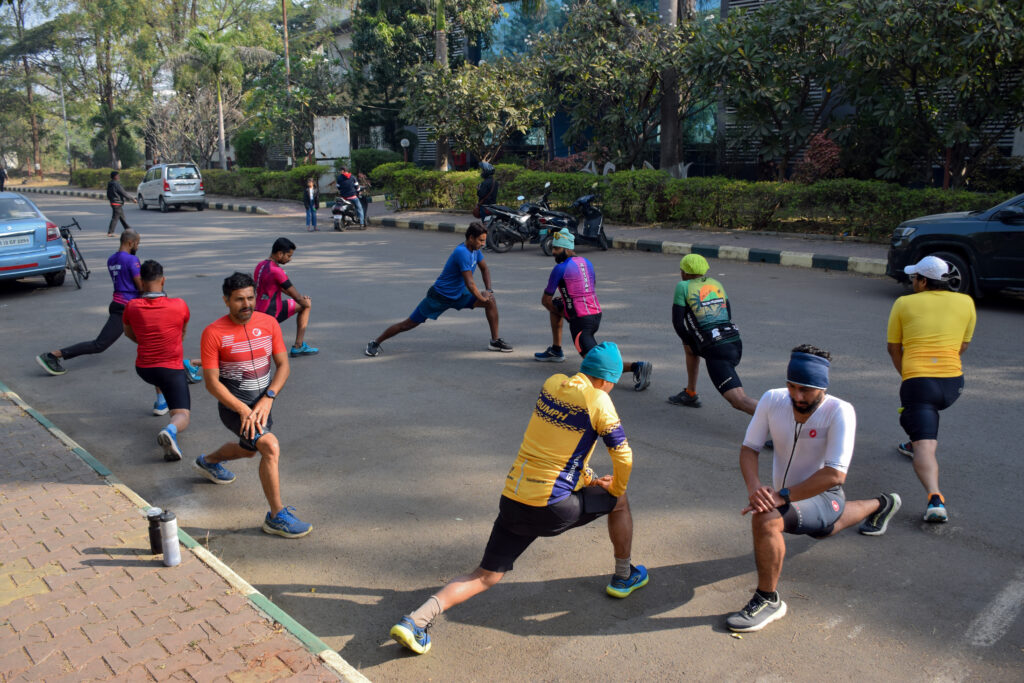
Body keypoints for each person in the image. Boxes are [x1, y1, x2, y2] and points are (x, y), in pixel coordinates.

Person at [389, 342, 647, 655]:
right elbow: (623, 455)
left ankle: (416, 620)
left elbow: (555, 450)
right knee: (619, 500)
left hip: (514, 498)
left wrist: (590, 478)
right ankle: (623, 576)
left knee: (485, 576)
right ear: (608, 380)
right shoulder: (599, 400)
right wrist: (615, 487)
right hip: (552, 506)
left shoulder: (552, 385)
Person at [725, 345, 901, 633]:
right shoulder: (772, 400)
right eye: (792, 386)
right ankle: (882, 504)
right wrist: (755, 488)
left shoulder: (840, 411)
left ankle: (768, 599)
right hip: (791, 498)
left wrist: (780, 496)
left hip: (823, 495)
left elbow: (834, 475)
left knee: (767, 519)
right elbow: (749, 449)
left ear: (822, 388)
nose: (797, 396)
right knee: (824, 529)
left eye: (805, 389)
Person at [196, 272, 312, 539]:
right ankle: (275, 517)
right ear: (226, 301)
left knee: (249, 451)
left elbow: (283, 365)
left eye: (250, 298)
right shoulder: (213, 333)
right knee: (269, 447)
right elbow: (212, 384)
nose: (246, 304)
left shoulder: (269, 323)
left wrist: (269, 397)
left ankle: (209, 461)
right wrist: (243, 410)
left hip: (262, 404)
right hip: (234, 407)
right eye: (239, 299)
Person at [886, 255, 976, 523]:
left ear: (924, 281)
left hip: (919, 384)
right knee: (917, 418)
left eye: (915, 278)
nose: (912, 282)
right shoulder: (966, 301)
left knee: (924, 444)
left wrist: (909, 377)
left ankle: (935, 499)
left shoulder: (904, 303)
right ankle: (914, 439)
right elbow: (963, 346)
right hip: (954, 384)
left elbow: (893, 348)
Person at [35, 231, 166, 413]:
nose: (138, 246)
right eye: (137, 243)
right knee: (100, 344)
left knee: (155, 341)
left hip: (120, 305)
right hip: (126, 309)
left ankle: (172, 379)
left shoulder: (112, 259)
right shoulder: (131, 261)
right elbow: (140, 286)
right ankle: (53, 355)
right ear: (131, 242)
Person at [364, 223, 513, 356]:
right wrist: (481, 297)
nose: (483, 243)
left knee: (491, 301)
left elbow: (485, 269)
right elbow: (470, 283)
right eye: (481, 240)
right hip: (439, 297)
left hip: (459, 295)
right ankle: (375, 342)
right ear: (472, 238)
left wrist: (489, 290)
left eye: (484, 240)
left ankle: (494, 341)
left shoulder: (475, 250)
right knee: (407, 324)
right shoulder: (462, 252)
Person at [534, 229, 652, 391]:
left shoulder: (560, 268)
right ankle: (556, 350)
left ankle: (637, 367)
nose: (553, 252)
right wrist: (564, 305)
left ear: (566, 248)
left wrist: (565, 312)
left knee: (594, 361)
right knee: (557, 304)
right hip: (595, 313)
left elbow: (544, 300)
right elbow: (588, 287)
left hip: (580, 321)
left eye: (557, 248)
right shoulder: (586, 262)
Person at [668, 254, 757, 414]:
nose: (680, 272)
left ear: (685, 272)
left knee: (739, 400)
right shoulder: (716, 283)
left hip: (716, 349)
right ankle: (690, 393)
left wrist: (690, 339)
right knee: (690, 349)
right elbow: (727, 313)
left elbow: (678, 323)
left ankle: (782, 424)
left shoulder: (683, 286)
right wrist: (692, 343)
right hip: (734, 342)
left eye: (681, 270)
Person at [122, 260, 192, 462]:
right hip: (170, 369)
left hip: (144, 368)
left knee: (161, 377)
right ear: (163, 280)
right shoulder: (179, 305)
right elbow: (182, 333)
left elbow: (129, 333)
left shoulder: (132, 306)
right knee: (182, 415)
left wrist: (145, 340)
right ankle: (170, 430)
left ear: (141, 282)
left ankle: (161, 401)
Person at [253, 238, 318, 357]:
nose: (289, 259)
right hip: (270, 313)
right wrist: (304, 301)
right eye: (288, 255)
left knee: (303, 304)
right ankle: (298, 346)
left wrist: (300, 300)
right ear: (279, 254)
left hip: (257, 310)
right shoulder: (277, 271)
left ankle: (299, 346)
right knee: (306, 304)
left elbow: (281, 288)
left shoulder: (261, 265)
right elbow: (296, 296)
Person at [106, 170, 136, 236]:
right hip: (117, 203)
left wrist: (111, 200)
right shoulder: (116, 184)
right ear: (115, 177)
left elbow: (108, 195)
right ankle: (110, 232)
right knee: (115, 218)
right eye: (117, 175)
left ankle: (128, 229)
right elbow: (123, 193)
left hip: (114, 203)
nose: (119, 176)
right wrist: (132, 199)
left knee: (122, 218)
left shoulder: (110, 184)